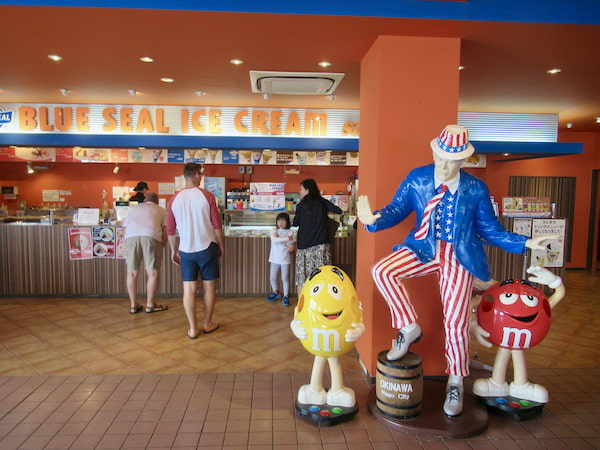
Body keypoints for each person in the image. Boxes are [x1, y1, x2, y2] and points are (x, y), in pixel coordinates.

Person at [357, 124, 554, 417]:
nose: (445, 166)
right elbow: (397, 209)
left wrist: (525, 241)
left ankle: (456, 380)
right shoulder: (418, 178)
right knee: (382, 270)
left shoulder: (476, 188)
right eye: (441, 159)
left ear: (464, 161)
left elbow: (490, 230)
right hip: (423, 247)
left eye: (452, 161)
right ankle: (409, 327)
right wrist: (373, 219)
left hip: (459, 255)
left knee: (456, 321)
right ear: (434, 154)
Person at [167, 163, 224, 339]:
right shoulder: (207, 196)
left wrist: (172, 250)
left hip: (185, 250)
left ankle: (193, 328)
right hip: (207, 247)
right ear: (196, 175)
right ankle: (207, 323)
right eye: (201, 174)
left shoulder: (174, 199)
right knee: (209, 287)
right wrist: (220, 244)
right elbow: (216, 224)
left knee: (189, 290)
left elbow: (170, 229)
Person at [292, 178, 342, 293]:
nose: (300, 192)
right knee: (322, 275)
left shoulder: (301, 205)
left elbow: (295, 223)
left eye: (301, 189)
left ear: (307, 190)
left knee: (302, 277)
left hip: (304, 246)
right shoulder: (322, 202)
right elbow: (338, 210)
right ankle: (321, 302)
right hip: (321, 246)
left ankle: (302, 305)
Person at [123, 192, 168, 314]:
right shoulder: (161, 210)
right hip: (150, 237)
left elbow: (124, 228)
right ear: (157, 202)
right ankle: (150, 305)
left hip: (131, 237)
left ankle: (133, 305)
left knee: (132, 273)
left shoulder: (134, 208)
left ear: (144, 201)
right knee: (152, 272)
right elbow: (165, 231)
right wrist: (163, 244)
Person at [267, 212, 295, 306]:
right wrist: (287, 238)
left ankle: (286, 296)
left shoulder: (290, 232)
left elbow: (293, 240)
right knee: (272, 277)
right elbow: (274, 239)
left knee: (285, 278)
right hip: (274, 258)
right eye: (279, 220)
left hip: (285, 259)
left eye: (283, 220)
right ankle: (276, 292)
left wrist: (285, 238)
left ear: (287, 222)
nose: (281, 222)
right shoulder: (274, 230)